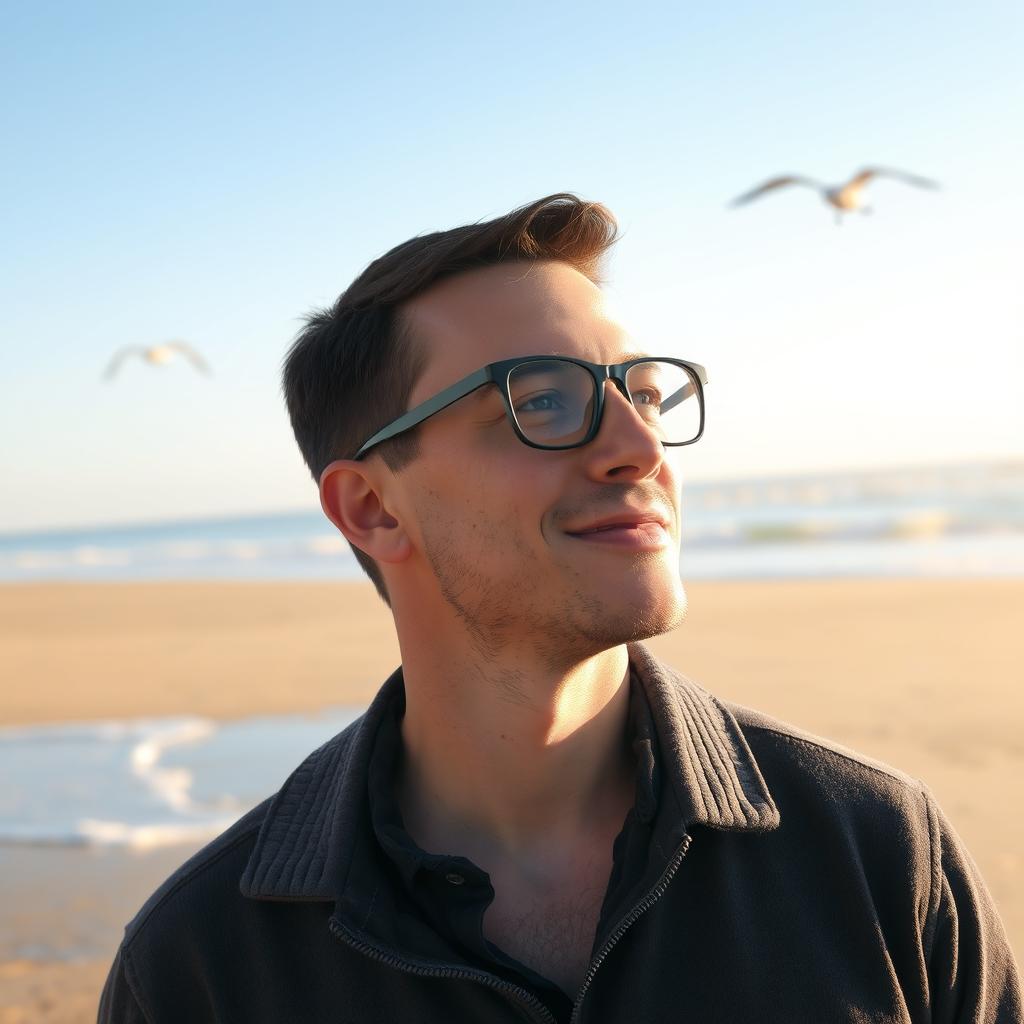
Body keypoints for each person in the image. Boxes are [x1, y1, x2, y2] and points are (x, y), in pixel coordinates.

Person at [99, 194, 1021, 1022]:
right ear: (373, 508)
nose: (639, 447)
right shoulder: (205, 963)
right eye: (541, 400)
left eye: (646, 394)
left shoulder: (876, 853)